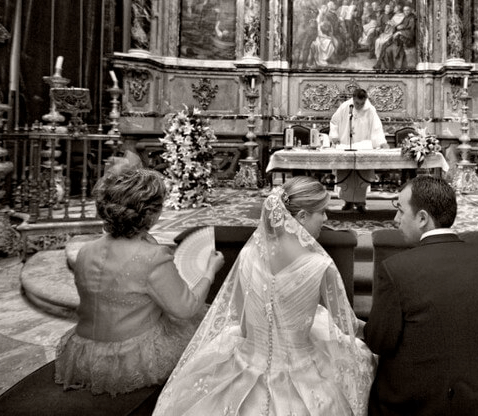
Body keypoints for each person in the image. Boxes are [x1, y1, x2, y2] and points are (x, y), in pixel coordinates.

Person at [153, 177, 375, 416]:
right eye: (321, 212)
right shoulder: (320, 265)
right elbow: (346, 326)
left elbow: (241, 321)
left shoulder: (249, 254)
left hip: (249, 357)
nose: (326, 219)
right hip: (300, 366)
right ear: (300, 217)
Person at [55, 163, 224, 396]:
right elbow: (186, 308)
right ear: (151, 214)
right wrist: (210, 270)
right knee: (207, 327)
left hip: (84, 352)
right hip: (131, 358)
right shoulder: (152, 257)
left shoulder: (86, 250)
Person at [364, 175, 478, 415]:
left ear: (422, 218)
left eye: (400, 211)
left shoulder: (396, 269)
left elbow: (380, 341)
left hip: (416, 403)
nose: (396, 219)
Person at [328, 87, 388, 212]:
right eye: (356, 103)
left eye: (362, 103)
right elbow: (334, 121)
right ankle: (347, 202)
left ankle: (361, 202)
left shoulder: (370, 110)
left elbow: (377, 127)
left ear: (365, 100)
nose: (359, 106)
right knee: (346, 174)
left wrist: (381, 142)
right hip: (346, 144)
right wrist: (334, 137)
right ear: (353, 99)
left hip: (364, 146)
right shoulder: (345, 107)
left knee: (362, 174)